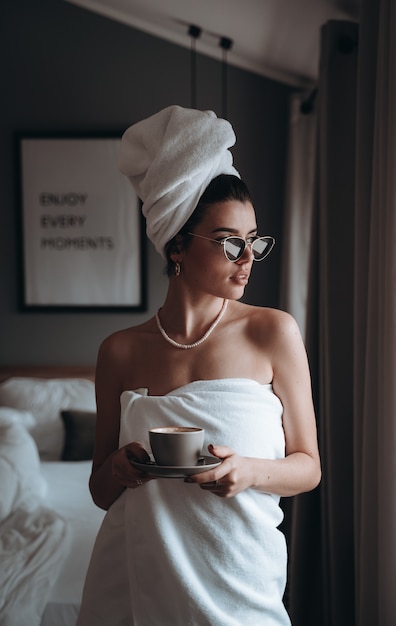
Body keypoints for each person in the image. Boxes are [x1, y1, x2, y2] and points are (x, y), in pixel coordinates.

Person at [76, 105, 321, 626]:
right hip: (137, 580)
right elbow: (100, 492)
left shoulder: (272, 331)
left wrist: (248, 472)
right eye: (231, 241)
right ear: (179, 244)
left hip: (240, 577)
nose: (248, 256)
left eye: (254, 241)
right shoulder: (118, 351)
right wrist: (121, 466)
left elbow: (309, 466)